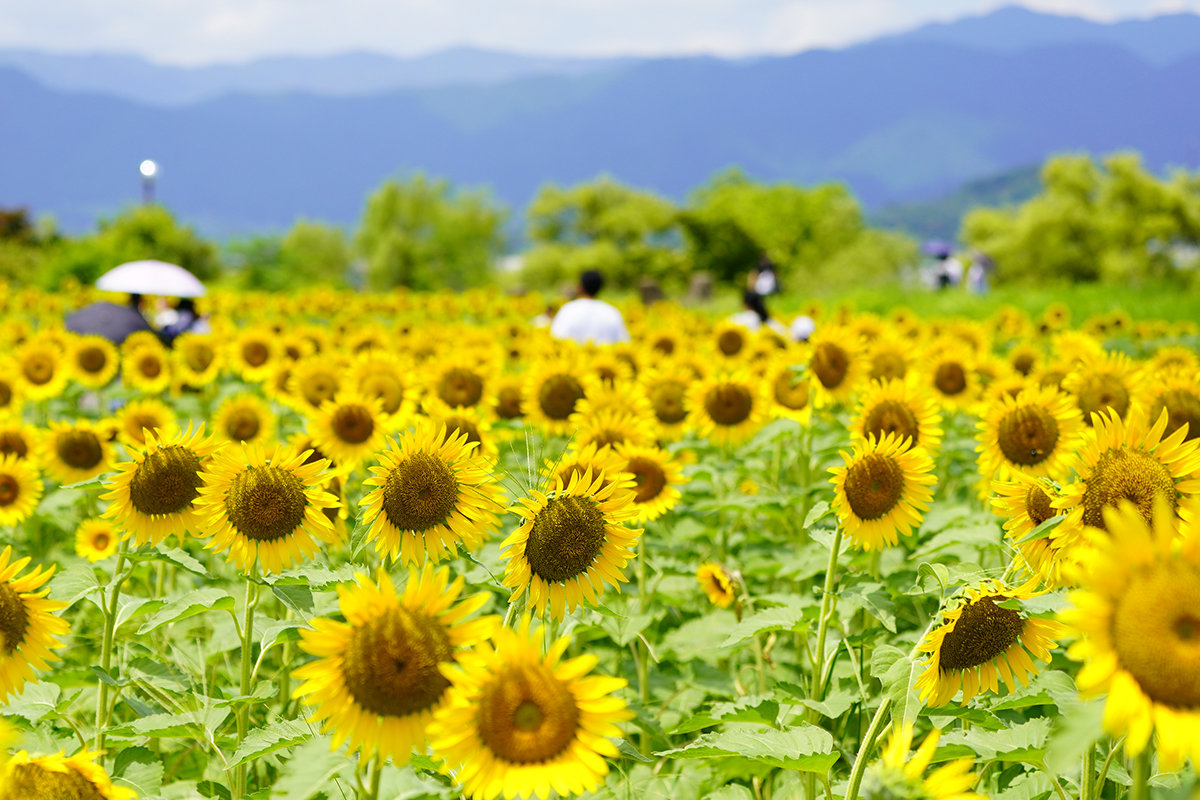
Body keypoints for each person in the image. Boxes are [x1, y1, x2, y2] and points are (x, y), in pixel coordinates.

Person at [550, 269, 630, 345]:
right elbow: (624, 342)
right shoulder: (612, 312)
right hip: (606, 357)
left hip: (572, 358)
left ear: (580, 287)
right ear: (600, 288)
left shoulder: (567, 309)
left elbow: (556, 338)